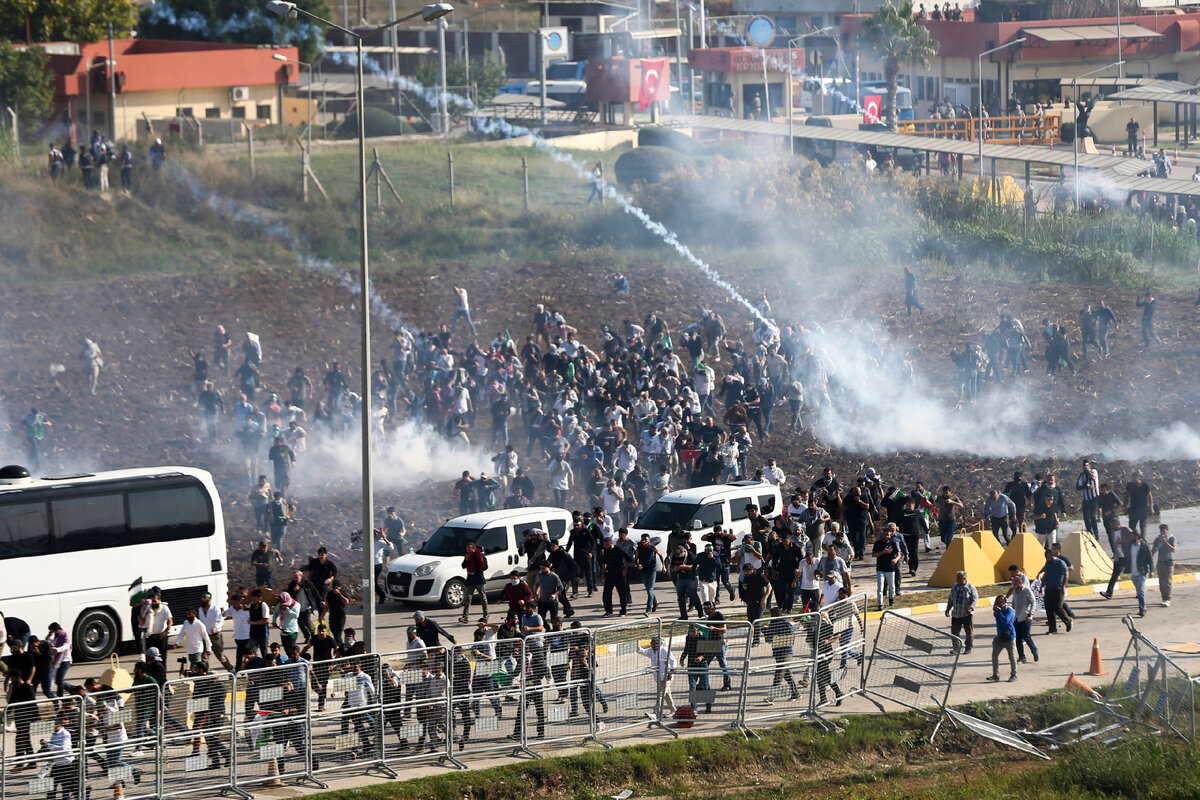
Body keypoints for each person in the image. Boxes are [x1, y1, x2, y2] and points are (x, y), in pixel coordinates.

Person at [986, 595, 1017, 683]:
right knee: (994, 656)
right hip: (999, 638)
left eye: (998, 603)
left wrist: (999, 612)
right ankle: (996, 675)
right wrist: (997, 612)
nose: (997, 605)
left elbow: (1006, 621)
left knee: (1012, 657)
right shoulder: (997, 612)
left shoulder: (1009, 610)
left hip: (1009, 637)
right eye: (996, 603)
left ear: (1003, 603)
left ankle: (1014, 675)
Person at [945, 571, 978, 654]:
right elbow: (951, 598)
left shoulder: (970, 587)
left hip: (967, 615)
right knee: (955, 632)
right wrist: (948, 608)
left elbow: (974, 600)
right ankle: (956, 648)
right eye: (957, 577)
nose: (957, 579)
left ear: (964, 579)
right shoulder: (954, 587)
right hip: (956, 614)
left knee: (969, 632)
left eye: (959, 578)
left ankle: (968, 648)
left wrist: (970, 609)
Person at [1010, 573, 1039, 664]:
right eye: (1012, 584)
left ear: (1020, 583)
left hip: (1026, 617)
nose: (1013, 586)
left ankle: (1034, 650)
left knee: (1026, 636)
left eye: (1015, 584)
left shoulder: (1027, 590)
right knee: (1018, 638)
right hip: (1017, 618)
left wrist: (1030, 614)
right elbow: (1013, 603)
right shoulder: (1015, 592)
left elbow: (1033, 602)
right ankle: (1022, 657)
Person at [1040, 549, 1071, 634]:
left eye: (1048, 557)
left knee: (1058, 608)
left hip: (1058, 588)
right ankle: (1052, 629)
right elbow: (1046, 574)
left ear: (1052, 556)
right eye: (1046, 557)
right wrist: (1042, 585)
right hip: (1048, 589)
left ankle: (1068, 621)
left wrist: (1063, 587)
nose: (1047, 559)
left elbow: (1066, 574)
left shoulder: (1060, 563)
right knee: (1049, 609)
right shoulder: (1048, 563)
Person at [460, 541, 489, 623]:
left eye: (469, 548)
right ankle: (465, 617)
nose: (467, 550)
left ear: (473, 548)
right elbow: (463, 566)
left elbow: (485, 567)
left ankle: (486, 616)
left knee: (483, 598)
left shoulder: (479, 556)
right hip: (470, 579)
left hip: (479, 579)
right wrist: (466, 559)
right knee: (468, 598)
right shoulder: (468, 556)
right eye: (467, 548)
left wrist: (475, 568)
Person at [1127, 528, 1154, 618]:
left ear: (1137, 537)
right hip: (1133, 573)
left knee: (1141, 591)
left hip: (1142, 572)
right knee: (1138, 591)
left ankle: (1142, 610)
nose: (1130, 537)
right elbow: (1127, 557)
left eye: (1131, 536)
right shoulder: (1130, 546)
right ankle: (1144, 607)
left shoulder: (1144, 546)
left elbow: (1150, 559)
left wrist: (1152, 571)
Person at [872, 528, 899, 610]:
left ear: (890, 535)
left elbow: (899, 554)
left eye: (887, 535)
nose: (886, 536)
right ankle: (880, 604)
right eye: (884, 534)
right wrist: (883, 552)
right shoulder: (878, 543)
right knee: (880, 587)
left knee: (892, 586)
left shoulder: (893, 543)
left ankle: (891, 600)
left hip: (890, 568)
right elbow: (873, 554)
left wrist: (896, 559)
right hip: (880, 568)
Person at [1152, 523, 1176, 607]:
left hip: (1169, 562)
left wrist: (1165, 542)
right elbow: (1153, 551)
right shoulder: (1157, 539)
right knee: (1161, 583)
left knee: (1168, 581)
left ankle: (1167, 599)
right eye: (1161, 531)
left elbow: (1173, 550)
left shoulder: (1172, 538)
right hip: (1160, 563)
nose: (1162, 533)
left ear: (1167, 531)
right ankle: (1163, 598)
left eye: (1164, 531)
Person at [1124, 472, 1154, 539]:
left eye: (1135, 479)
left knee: (1143, 525)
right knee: (1131, 526)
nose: (1134, 481)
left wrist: (1151, 508)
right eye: (1132, 479)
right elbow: (1126, 496)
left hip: (1143, 508)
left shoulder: (1145, 485)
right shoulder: (1129, 485)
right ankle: (1133, 539)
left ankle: (1143, 541)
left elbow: (1150, 496)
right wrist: (1125, 507)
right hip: (1133, 509)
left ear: (1138, 478)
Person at [1076, 459, 1101, 541]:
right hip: (1086, 499)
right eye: (1084, 466)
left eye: (1087, 465)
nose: (1085, 467)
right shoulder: (1081, 475)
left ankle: (1096, 534)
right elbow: (1078, 487)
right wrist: (1087, 486)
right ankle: (1090, 533)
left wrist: (1087, 471)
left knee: (1093, 516)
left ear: (1089, 466)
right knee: (1086, 517)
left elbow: (1093, 477)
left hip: (1094, 497)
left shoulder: (1094, 471)